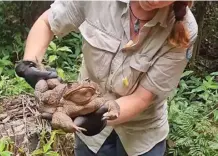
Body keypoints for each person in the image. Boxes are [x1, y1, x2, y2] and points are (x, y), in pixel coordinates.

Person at [15, 0, 198, 156]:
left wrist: (100, 117)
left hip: (142, 136)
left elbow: (143, 97)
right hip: (89, 132)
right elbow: (48, 23)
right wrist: (30, 64)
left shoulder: (185, 29)